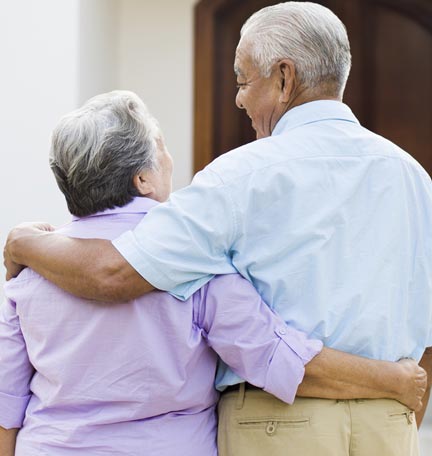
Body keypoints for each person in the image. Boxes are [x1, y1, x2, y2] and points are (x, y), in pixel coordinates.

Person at [4, 2, 432, 455]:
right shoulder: (414, 177)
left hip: (280, 425)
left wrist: (25, 243)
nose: (238, 98)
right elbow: (272, 348)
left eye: (243, 81)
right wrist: (398, 386)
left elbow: (111, 274)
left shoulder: (236, 179)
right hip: (388, 421)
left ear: (284, 78)